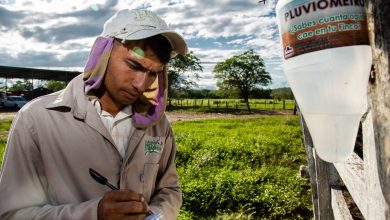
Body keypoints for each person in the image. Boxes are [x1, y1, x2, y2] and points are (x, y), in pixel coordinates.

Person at [0, 8, 188, 220]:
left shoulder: (158, 125)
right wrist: (93, 214)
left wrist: (155, 215)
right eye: (134, 65)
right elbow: (11, 214)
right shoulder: (36, 120)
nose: (140, 84)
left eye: (153, 73)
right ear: (102, 53)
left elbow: (169, 189)